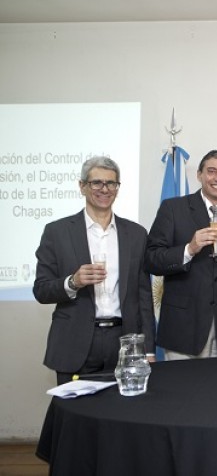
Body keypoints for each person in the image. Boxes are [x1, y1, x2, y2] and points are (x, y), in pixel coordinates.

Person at [33, 156, 155, 384]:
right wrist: (73, 282)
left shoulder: (136, 234)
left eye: (111, 183)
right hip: (75, 342)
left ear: (117, 188)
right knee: (73, 407)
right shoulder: (57, 232)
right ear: (82, 186)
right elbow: (41, 290)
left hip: (124, 342)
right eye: (96, 183)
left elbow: (143, 296)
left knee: (124, 406)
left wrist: (147, 349)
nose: (104, 189)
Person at [145, 150, 217, 359]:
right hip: (183, 327)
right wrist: (189, 249)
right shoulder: (173, 209)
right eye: (211, 171)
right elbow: (151, 259)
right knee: (182, 382)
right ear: (199, 175)